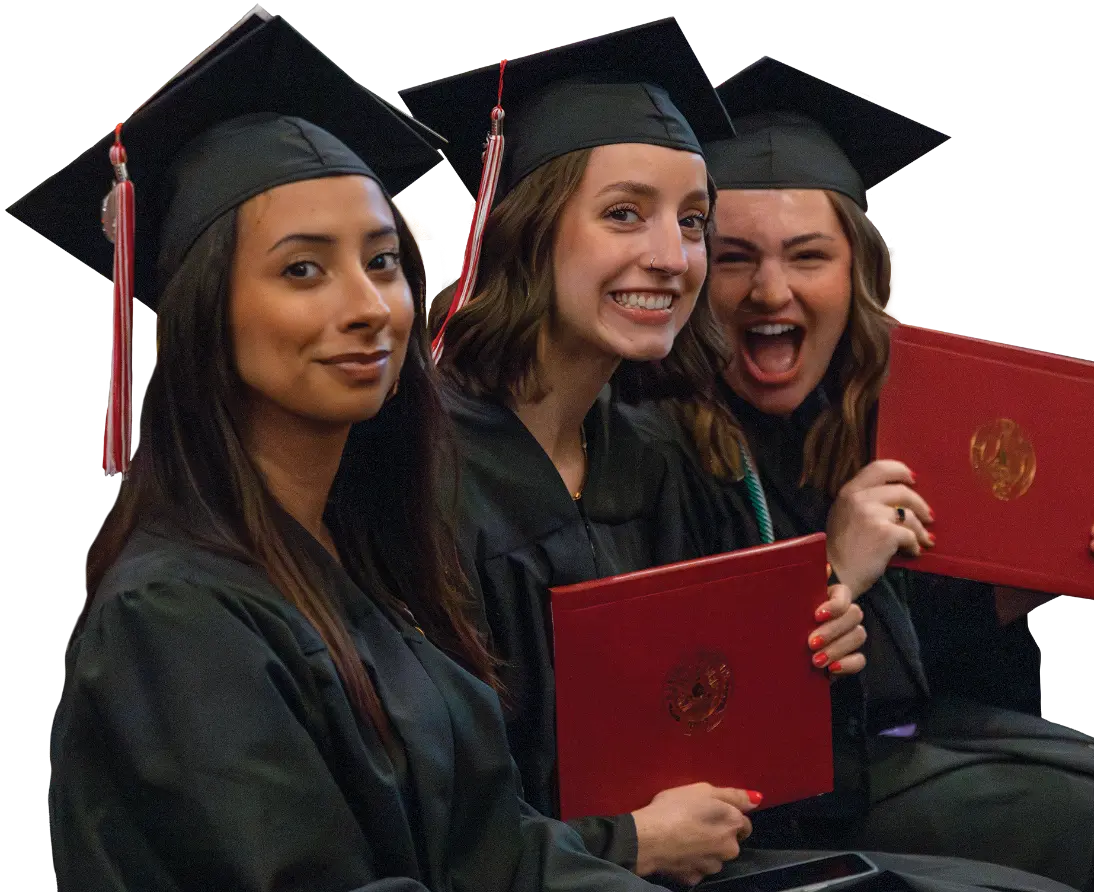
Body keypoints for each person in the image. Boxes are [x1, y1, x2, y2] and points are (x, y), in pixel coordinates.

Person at [394, 24, 1083, 892]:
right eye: (623, 215)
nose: (670, 257)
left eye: (690, 222)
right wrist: (624, 843)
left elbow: (718, 731)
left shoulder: (658, 456)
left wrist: (807, 652)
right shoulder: (421, 473)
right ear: (524, 228)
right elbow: (418, 811)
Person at [22, 12, 665, 891]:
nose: (370, 307)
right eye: (303, 270)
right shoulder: (174, 621)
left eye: (383, 261)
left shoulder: (369, 558)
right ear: (202, 315)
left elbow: (492, 854)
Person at [619, 56, 1094, 892]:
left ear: (860, 275)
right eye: (735, 257)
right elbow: (688, 712)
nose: (769, 291)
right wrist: (832, 571)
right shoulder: (649, 438)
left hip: (880, 753)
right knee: (1089, 822)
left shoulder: (882, 413)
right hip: (770, 809)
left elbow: (920, 677)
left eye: (808, 256)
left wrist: (1015, 587)